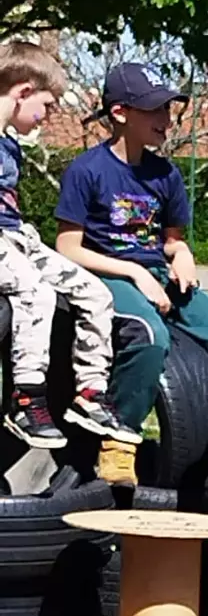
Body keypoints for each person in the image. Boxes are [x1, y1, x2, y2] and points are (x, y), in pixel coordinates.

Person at [55, 62, 208, 483]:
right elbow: (67, 249)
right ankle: (118, 440)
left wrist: (181, 252)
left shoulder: (165, 175)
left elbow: (170, 239)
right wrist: (133, 274)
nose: (166, 121)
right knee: (151, 338)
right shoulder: (86, 170)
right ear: (120, 114)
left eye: (169, 110)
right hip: (105, 276)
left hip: (157, 273)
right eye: (154, 111)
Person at [0, 41, 114, 449]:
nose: (49, 117)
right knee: (34, 292)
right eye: (48, 105)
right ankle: (27, 398)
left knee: (94, 292)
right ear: (23, 91)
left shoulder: (9, 144)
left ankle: (90, 393)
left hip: (14, 235)